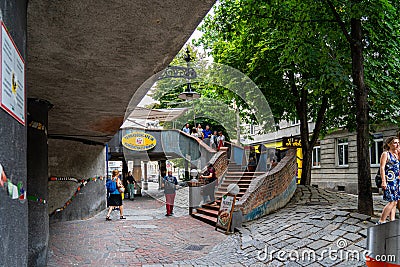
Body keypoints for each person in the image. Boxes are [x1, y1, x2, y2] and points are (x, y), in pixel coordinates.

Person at [376, 136, 399, 224]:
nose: (397, 144)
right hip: (389, 180)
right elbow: (382, 168)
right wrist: (383, 181)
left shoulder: (396, 154)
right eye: (395, 143)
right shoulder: (386, 154)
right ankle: (381, 221)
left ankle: (392, 220)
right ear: (389, 144)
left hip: (396, 181)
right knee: (392, 202)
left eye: (398, 143)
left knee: (395, 202)